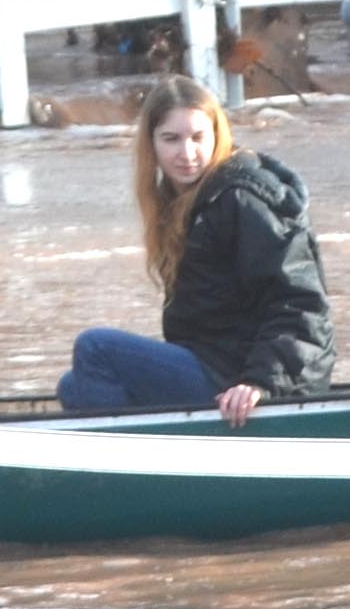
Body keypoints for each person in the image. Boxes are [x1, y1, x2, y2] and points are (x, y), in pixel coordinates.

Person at [58, 74, 332, 425]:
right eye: (171, 139)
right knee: (74, 387)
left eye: (198, 137)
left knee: (95, 349)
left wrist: (260, 383)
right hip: (215, 360)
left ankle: (134, 468)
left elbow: (301, 302)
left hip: (254, 376)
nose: (187, 154)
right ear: (151, 144)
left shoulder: (243, 198)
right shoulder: (184, 202)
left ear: (217, 135)